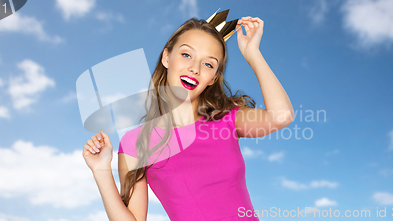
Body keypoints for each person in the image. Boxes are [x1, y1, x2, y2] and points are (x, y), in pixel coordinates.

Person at [82, 13, 294, 221]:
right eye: (186, 55)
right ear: (167, 57)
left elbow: (281, 116)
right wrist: (101, 171)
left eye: (208, 64)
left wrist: (252, 53)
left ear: (213, 79)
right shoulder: (137, 143)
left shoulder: (226, 119)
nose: (194, 68)